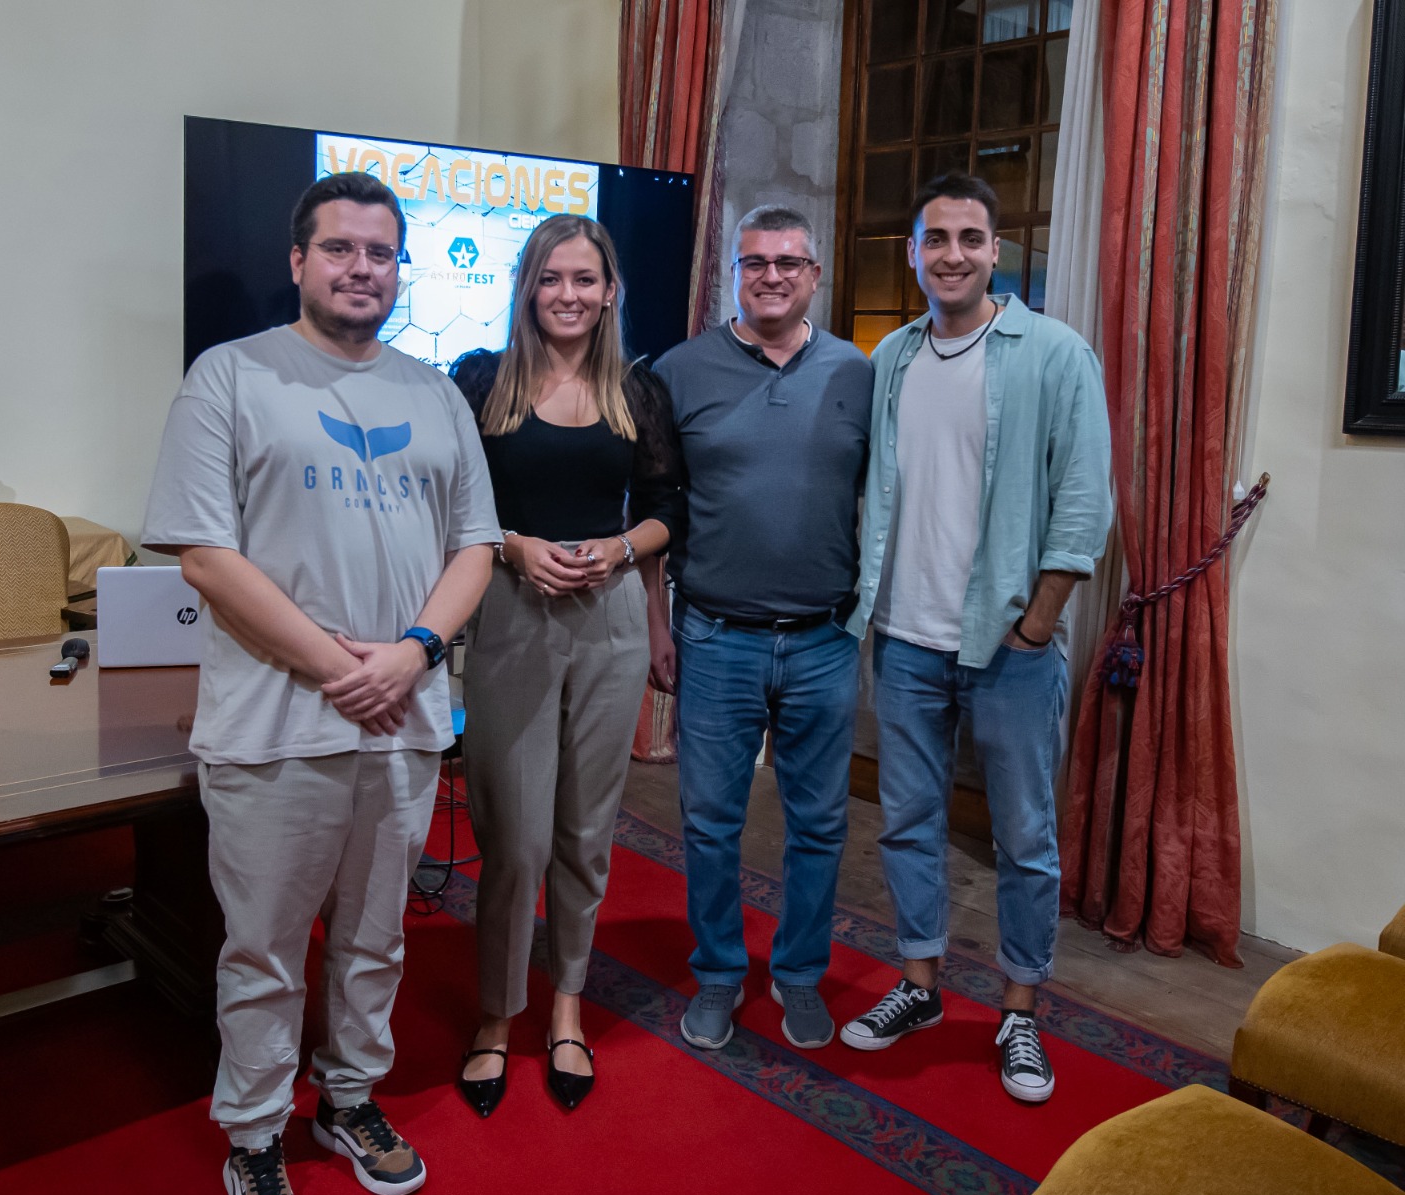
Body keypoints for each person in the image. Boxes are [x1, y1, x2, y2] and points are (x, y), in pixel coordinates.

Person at [142, 172, 501, 1195]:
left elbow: (475, 545)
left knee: (375, 939)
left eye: (380, 253)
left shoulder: (435, 391)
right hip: (274, 724)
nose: (361, 269)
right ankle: (253, 1133)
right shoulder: (231, 377)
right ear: (298, 261)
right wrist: (340, 666)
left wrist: (413, 655)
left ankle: (348, 1098)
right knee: (261, 952)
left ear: (400, 270)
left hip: (400, 722)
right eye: (339, 249)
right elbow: (205, 553)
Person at [836, 173, 1112, 1105]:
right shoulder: (893, 360)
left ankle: (1021, 1009)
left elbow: (1084, 500)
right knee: (909, 823)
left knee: (1025, 838)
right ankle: (918, 985)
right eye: (935, 238)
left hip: (1009, 650)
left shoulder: (1055, 354)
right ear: (913, 254)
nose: (951, 253)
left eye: (969, 237)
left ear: (997, 252)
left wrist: (1038, 624)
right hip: (907, 640)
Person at [448, 214, 679, 1117]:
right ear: (527, 288)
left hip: (611, 613)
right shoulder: (480, 380)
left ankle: (567, 1007)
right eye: (552, 279)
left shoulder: (636, 389)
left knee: (585, 832)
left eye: (586, 279)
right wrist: (512, 545)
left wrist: (621, 550)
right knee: (516, 835)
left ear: (610, 289)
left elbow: (668, 509)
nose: (570, 295)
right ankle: (496, 1017)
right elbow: (453, 500)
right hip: (511, 607)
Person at [649, 205, 872, 1053]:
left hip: (823, 640)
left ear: (815, 275)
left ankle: (801, 975)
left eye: (789, 261)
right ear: (732, 274)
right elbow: (656, 508)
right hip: (714, 636)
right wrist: (655, 623)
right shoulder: (679, 371)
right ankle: (716, 974)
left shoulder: (858, 373)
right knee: (711, 821)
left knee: (819, 825)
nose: (771, 274)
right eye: (754, 262)